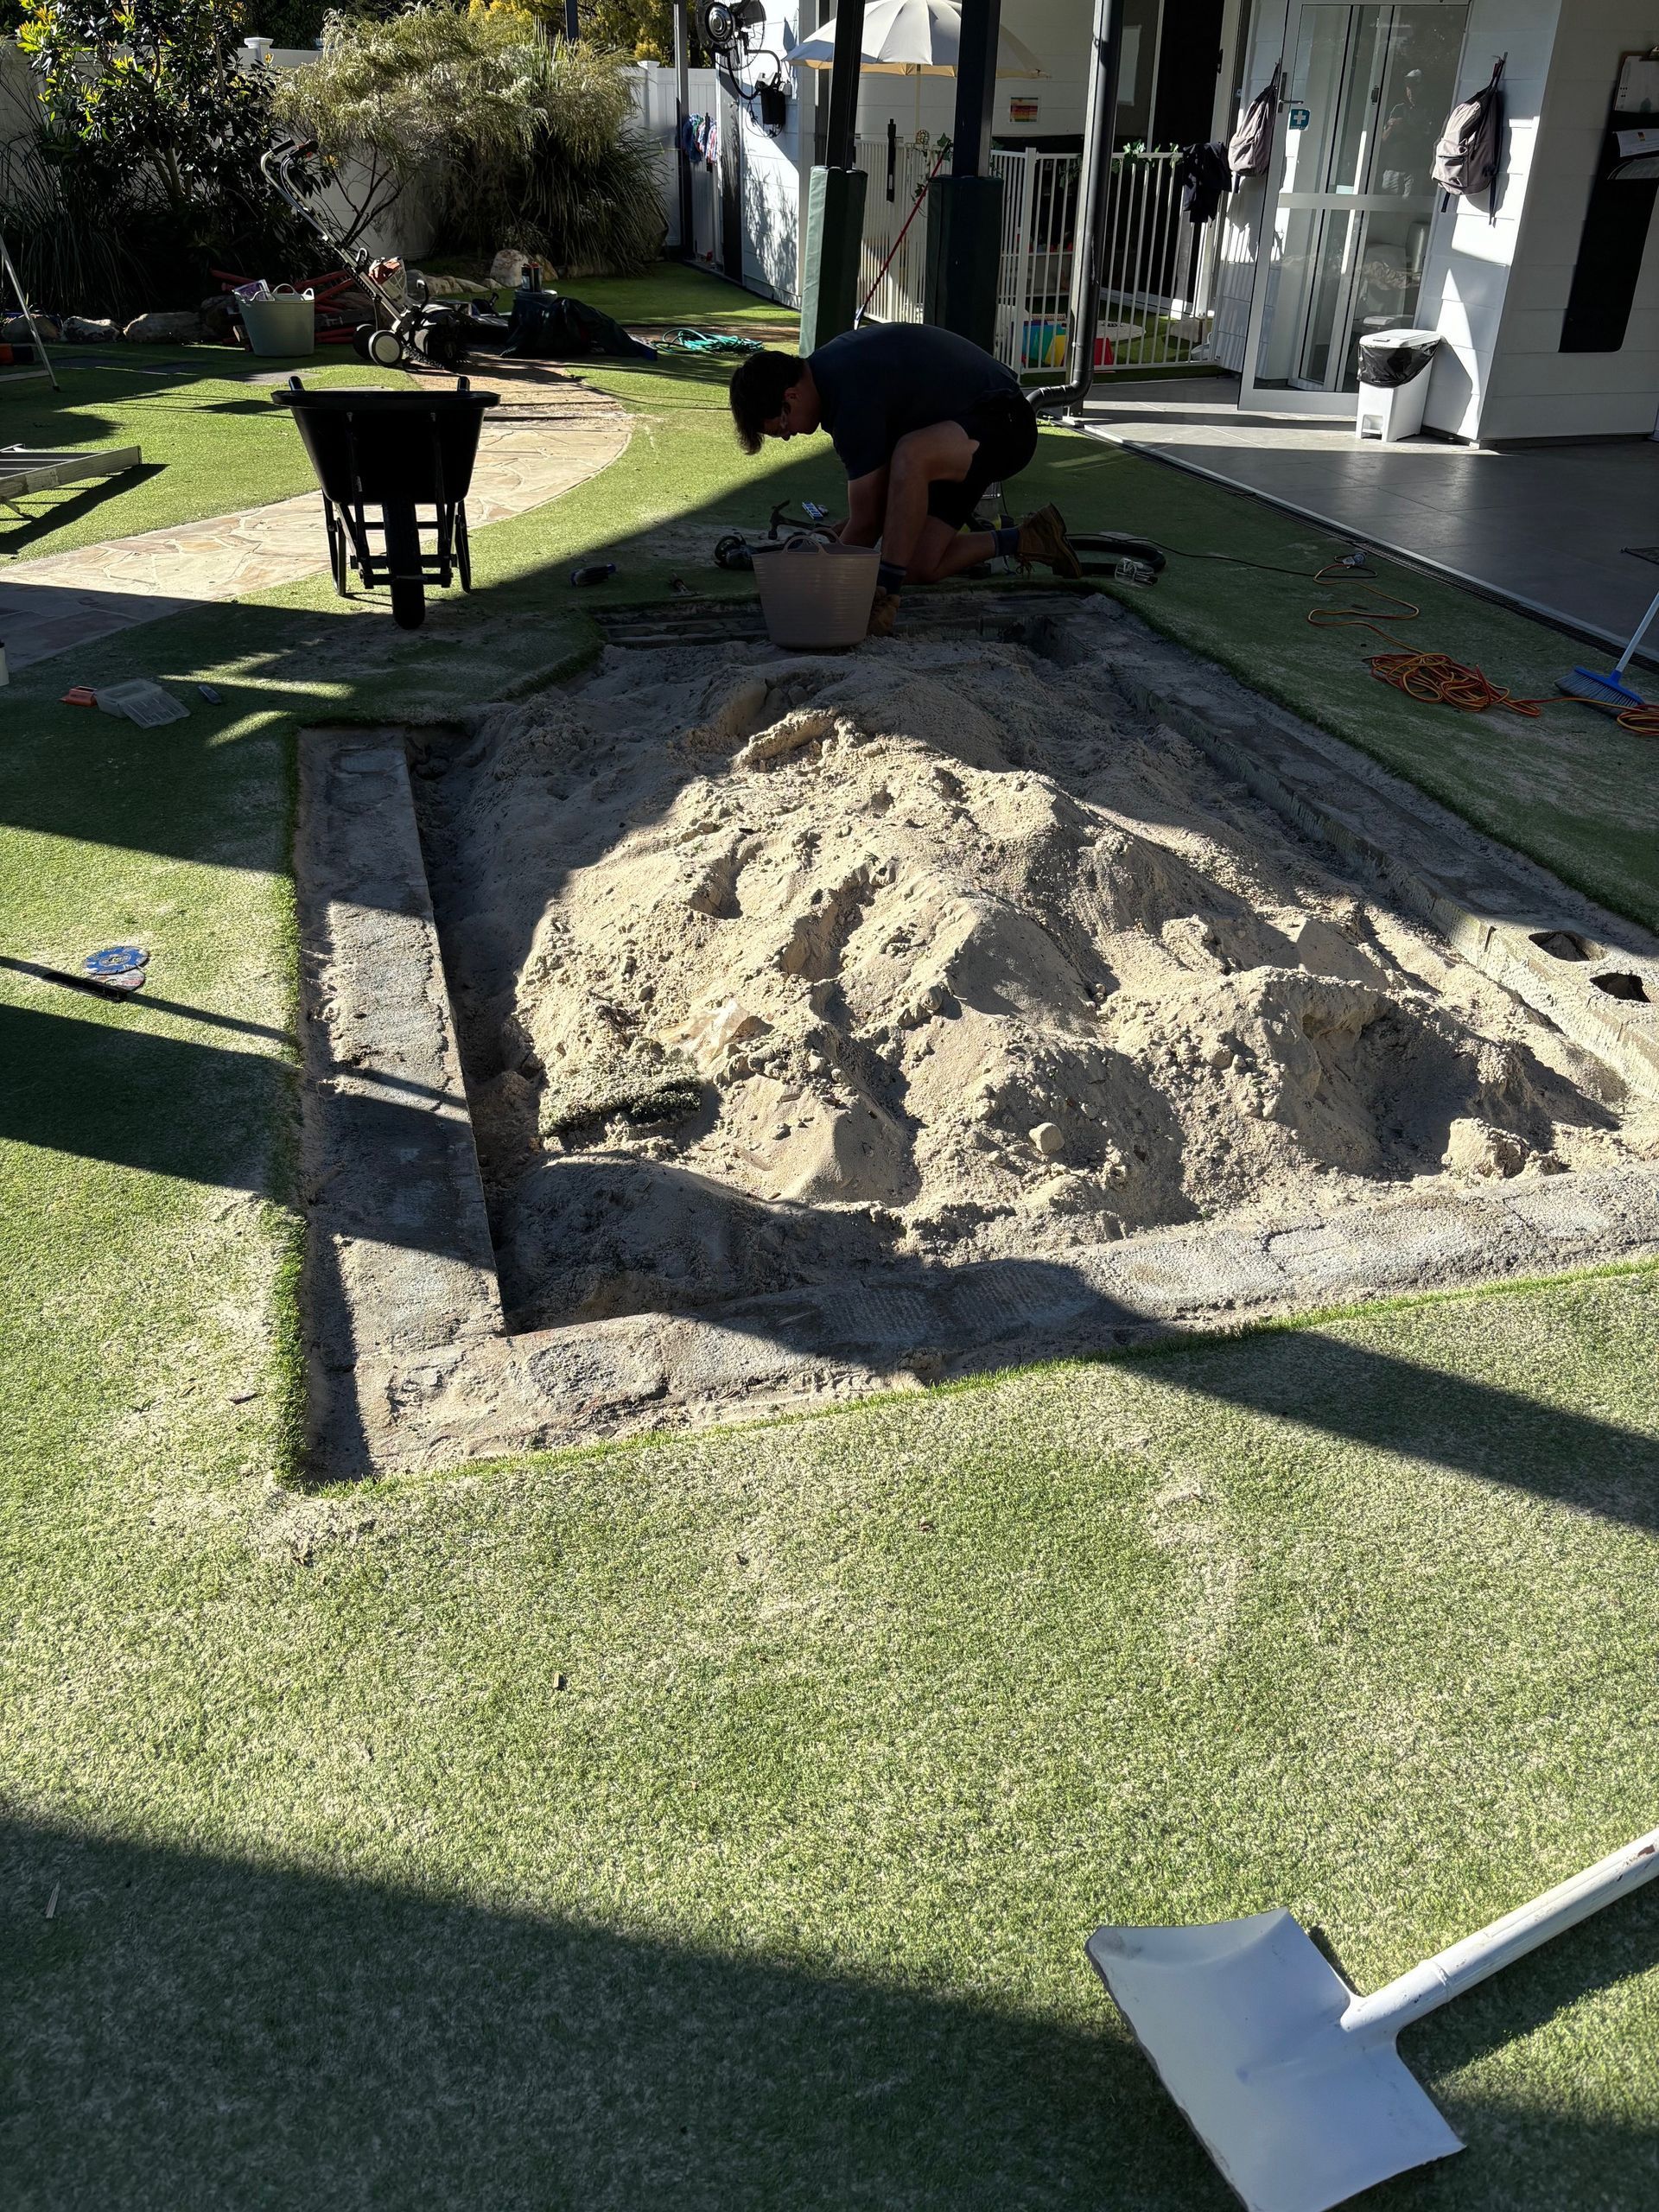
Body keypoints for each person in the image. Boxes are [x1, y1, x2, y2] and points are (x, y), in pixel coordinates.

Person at [728, 323, 1081, 635]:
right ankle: (1029, 538)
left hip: (1005, 423)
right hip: (959, 431)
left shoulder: (848, 395)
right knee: (917, 564)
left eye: (782, 427)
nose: (787, 436)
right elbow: (882, 502)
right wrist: (831, 540)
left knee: (910, 456)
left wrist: (815, 585)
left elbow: (868, 524)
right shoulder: (829, 376)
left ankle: (886, 595)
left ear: (791, 396)